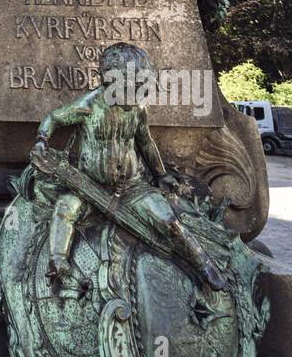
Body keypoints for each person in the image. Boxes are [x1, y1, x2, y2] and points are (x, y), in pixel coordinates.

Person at [31, 42, 226, 290]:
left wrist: (161, 174)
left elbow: (146, 143)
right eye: (133, 89)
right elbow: (53, 118)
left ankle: (204, 264)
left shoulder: (138, 110)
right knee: (64, 208)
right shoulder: (89, 105)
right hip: (89, 186)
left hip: (131, 187)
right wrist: (41, 141)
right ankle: (58, 262)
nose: (138, 96)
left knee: (168, 220)